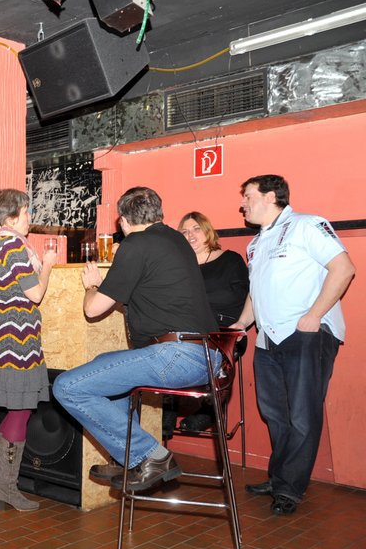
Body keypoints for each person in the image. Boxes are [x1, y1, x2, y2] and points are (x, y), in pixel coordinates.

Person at [52, 186, 219, 492]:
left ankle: (151, 456)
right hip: (207, 354)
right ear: (159, 214)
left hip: (176, 356)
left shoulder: (136, 243)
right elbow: (151, 293)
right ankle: (128, 457)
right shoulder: (176, 240)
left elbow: (93, 309)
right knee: (106, 363)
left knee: (67, 387)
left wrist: (92, 285)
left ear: (124, 222)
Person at [232, 174, 355, 516]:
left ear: (270, 197)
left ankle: (289, 488)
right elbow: (257, 292)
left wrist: (314, 315)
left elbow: (344, 268)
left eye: (248, 196)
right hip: (268, 339)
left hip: (306, 334)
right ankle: (280, 478)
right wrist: (242, 323)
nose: (242, 204)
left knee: (301, 415)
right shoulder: (255, 244)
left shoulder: (307, 225)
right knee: (275, 414)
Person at [0, 188, 57, 511]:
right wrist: (47, 264)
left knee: (14, 409)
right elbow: (35, 294)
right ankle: (6, 489)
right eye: (25, 213)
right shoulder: (13, 245)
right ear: (10, 218)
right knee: (20, 410)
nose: (29, 219)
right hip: (18, 337)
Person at [164, 212, 250, 435]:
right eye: (184, 232)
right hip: (187, 330)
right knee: (164, 343)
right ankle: (168, 406)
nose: (190, 235)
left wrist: (195, 300)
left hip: (224, 330)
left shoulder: (230, 260)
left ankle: (210, 408)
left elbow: (237, 296)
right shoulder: (178, 266)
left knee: (199, 346)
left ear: (208, 232)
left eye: (196, 229)